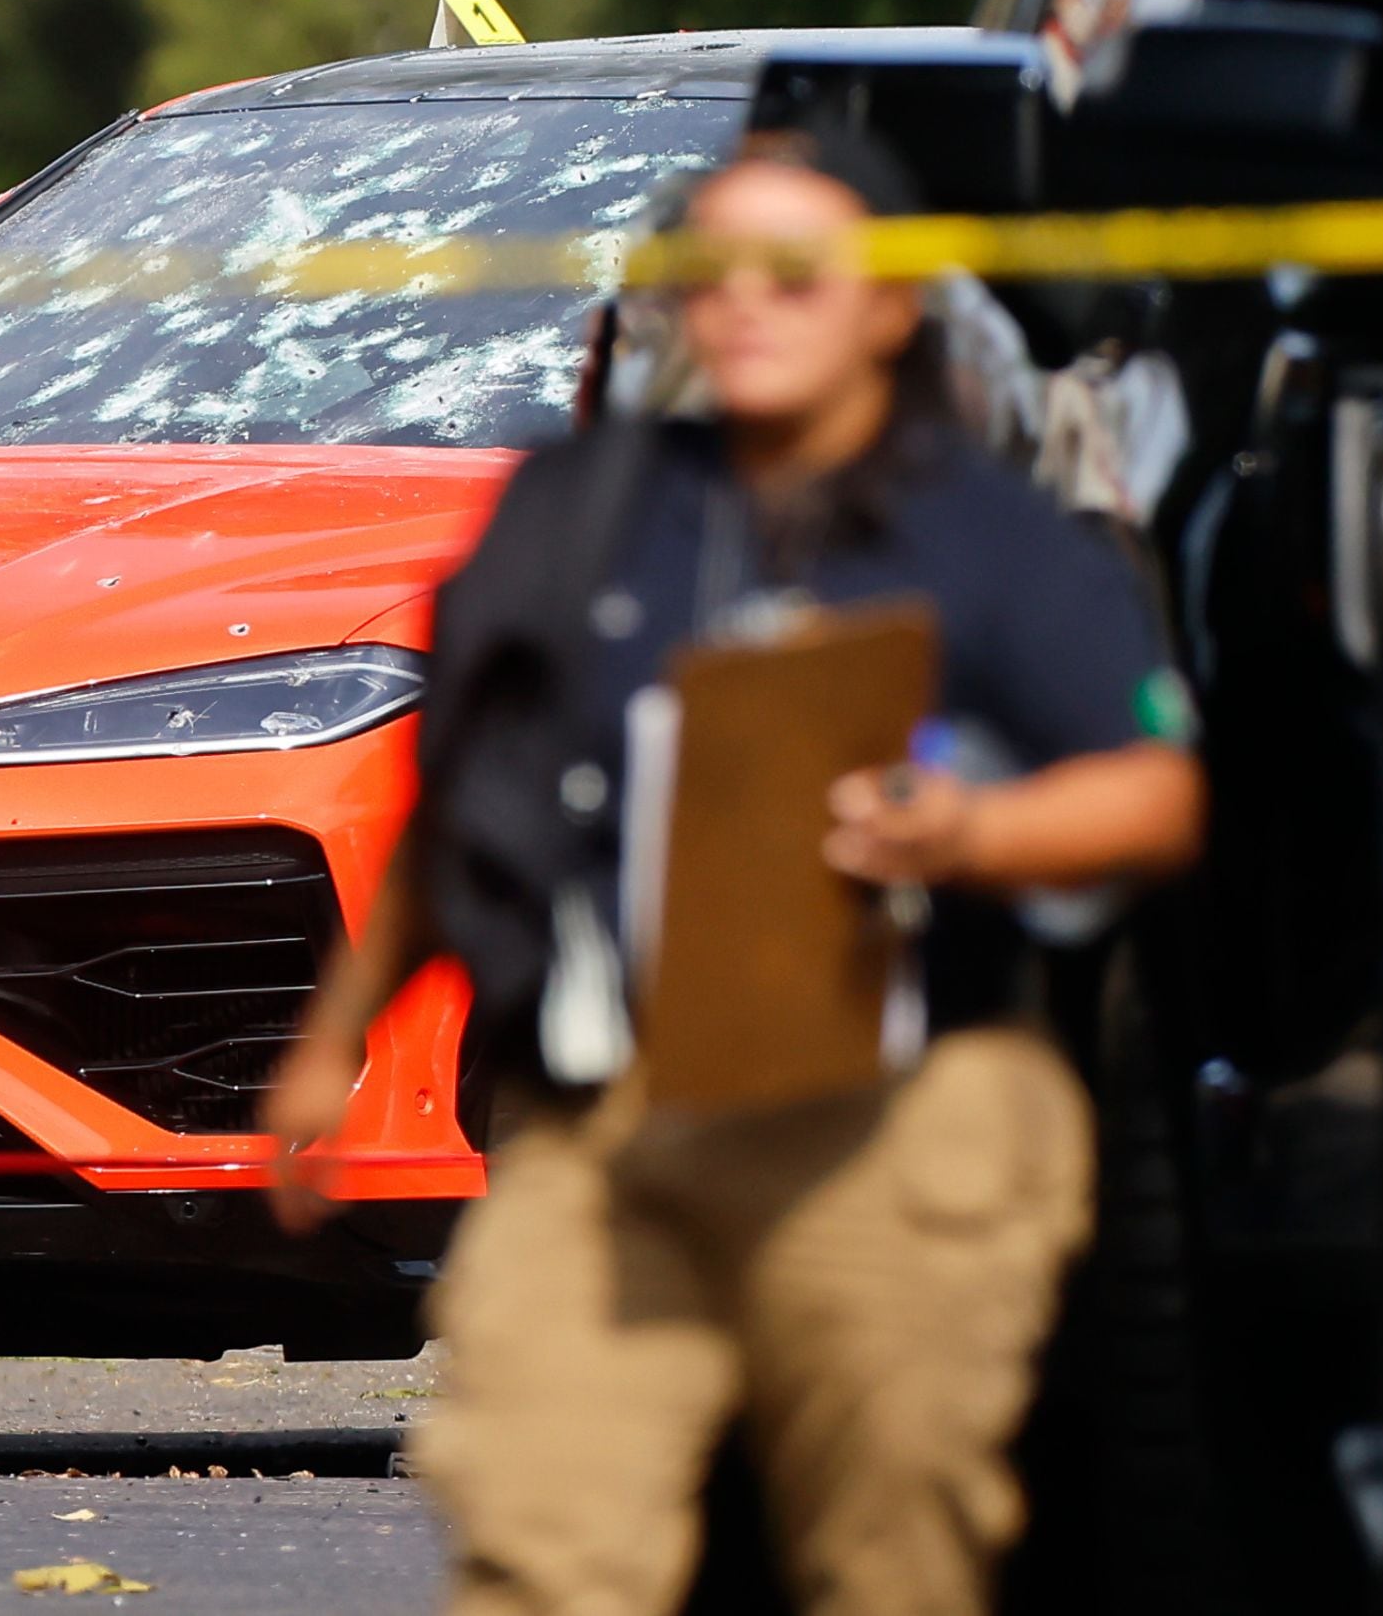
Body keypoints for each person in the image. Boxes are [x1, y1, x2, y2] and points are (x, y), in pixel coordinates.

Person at [260, 124, 1207, 1616]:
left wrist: (968, 832)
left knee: (893, 1557)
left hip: (893, 1115)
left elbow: (1155, 795)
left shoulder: (989, 538)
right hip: (610, 1119)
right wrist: (333, 1046)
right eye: (716, 272)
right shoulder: (576, 510)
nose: (748, 304)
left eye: (796, 274)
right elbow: (465, 805)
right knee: (537, 1538)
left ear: (889, 308)